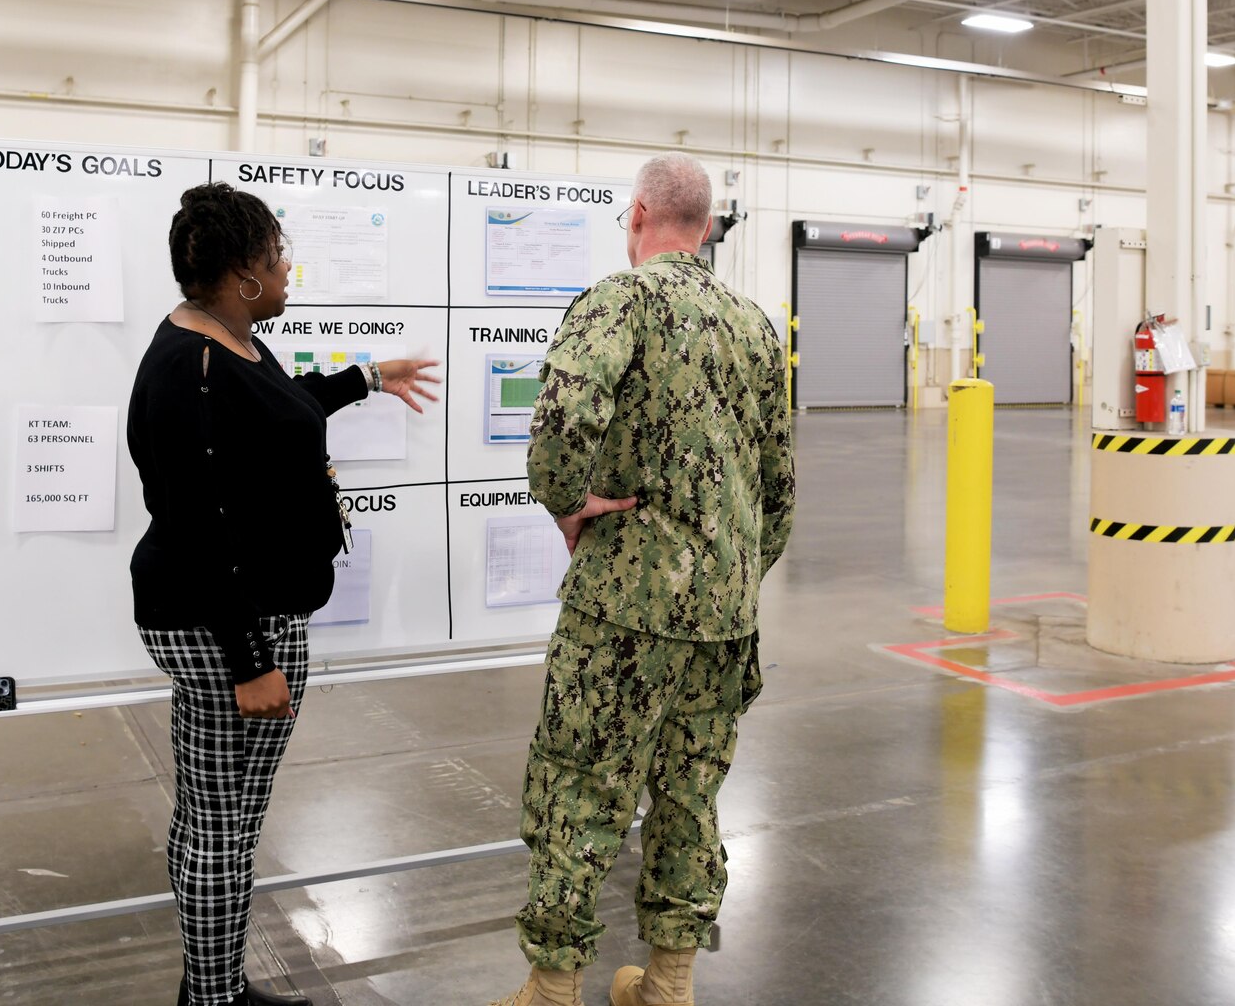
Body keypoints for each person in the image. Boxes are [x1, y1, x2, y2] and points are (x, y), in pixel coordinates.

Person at [487, 153, 795, 1006]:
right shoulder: (754, 324)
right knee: (690, 795)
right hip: (725, 621)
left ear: (638, 215)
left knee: (579, 785)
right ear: (706, 224)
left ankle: (552, 989)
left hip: (623, 608)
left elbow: (560, 419)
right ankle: (667, 986)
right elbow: (779, 488)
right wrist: (731, 575)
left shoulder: (620, 300)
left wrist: (567, 504)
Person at [127, 182, 439, 1006]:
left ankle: (215, 986)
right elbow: (200, 528)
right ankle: (215, 1001)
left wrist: (367, 377)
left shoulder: (227, 338)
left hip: (252, 617)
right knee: (222, 832)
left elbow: (282, 408)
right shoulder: (187, 369)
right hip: (226, 629)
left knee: (218, 820)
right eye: (275, 258)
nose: (287, 269)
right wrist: (250, 660)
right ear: (242, 275)